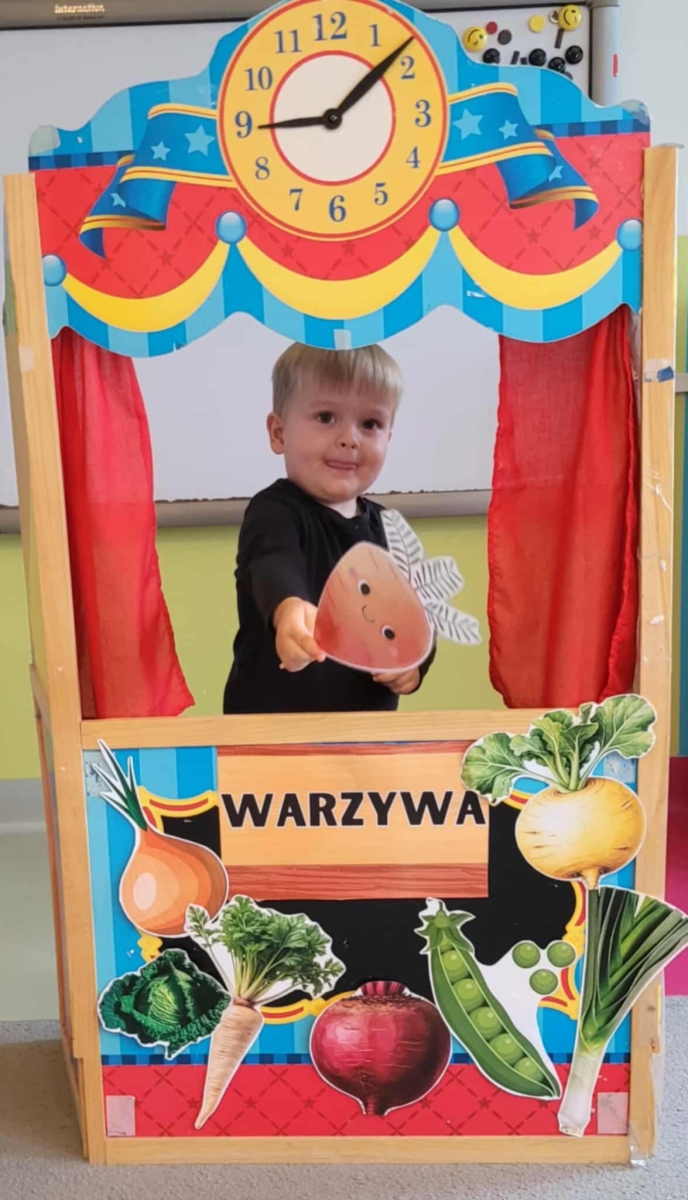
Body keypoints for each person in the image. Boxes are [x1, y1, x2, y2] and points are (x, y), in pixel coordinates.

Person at [223, 342, 435, 714]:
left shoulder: (390, 530)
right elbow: (272, 562)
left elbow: (416, 614)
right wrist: (289, 608)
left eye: (370, 424)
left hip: (364, 735)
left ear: (388, 438)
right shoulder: (274, 511)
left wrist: (415, 663)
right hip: (270, 731)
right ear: (279, 433)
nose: (349, 438)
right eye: (325, 417)